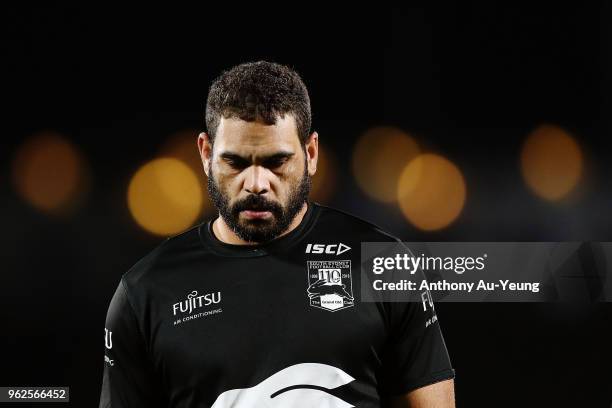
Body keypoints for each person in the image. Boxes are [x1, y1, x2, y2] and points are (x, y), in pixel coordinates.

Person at [99, 61, 455, 407]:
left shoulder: (383, 263)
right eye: (235, 162)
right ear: (206, 154)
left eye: (276, 162)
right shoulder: (145, 292)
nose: (256, 184)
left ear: (310, 153)